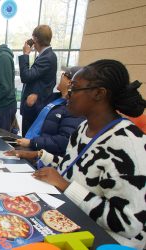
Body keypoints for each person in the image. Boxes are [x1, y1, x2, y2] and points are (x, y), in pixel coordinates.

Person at [30, 60, 146, 248]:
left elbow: (128, 223)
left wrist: (66, 186)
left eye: (74, 88)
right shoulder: (83, 127)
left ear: (99, 93)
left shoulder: (127, 144)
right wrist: (40, 155)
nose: (68, 93)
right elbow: (73, 167)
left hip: (106, 241)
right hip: (70, 218)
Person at [13, 66, 84, 155]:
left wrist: (32, 143)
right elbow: (33, 118)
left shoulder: (73, 108)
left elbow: (64, 140)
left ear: (70, 82)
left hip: (39, 153)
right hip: (27, 144)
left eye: (64, 74)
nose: (61, 76)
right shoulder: (53, 98)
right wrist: (30, 106)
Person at [19, 25, 57, 136]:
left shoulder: (47, 57)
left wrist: (25, 54)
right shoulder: (45, 55)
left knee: (28, 138)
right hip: (33, 105)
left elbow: (26, 76)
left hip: (35, 107)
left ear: (35, 39)